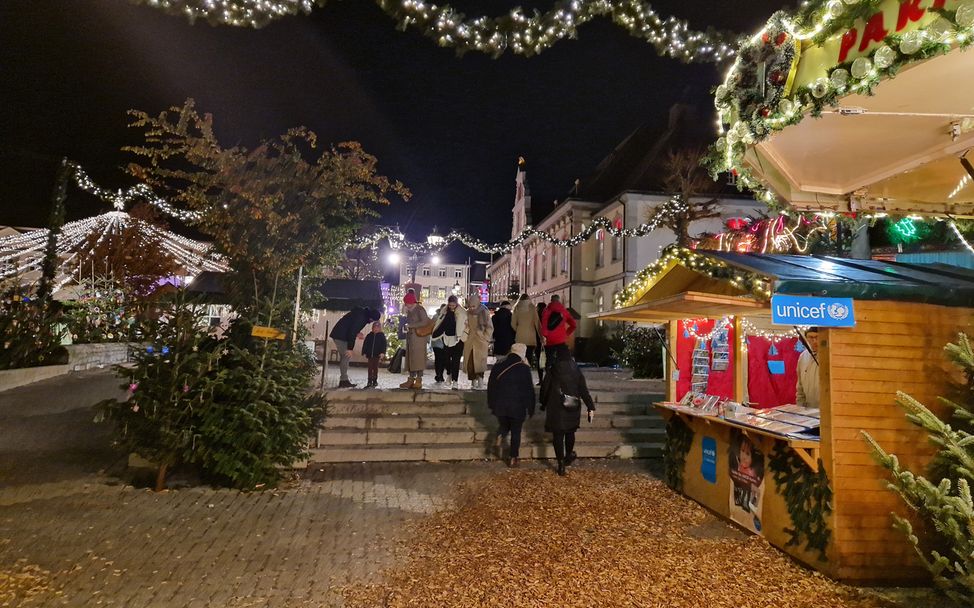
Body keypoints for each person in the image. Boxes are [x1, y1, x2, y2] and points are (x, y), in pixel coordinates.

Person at [540, 345, 595, 476]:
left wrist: (543, 402)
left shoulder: (553, 369)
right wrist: (590, 406)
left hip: (556, 407)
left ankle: (560, 465)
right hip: (572, 406)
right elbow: (583, 390)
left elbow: (545, 388)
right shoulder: (576, 370)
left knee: (558, 436)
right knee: (570, 432)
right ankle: (568, 455)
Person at [487, 343, 535, 467]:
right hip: (518, 406)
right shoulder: (524, 369)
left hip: (500, 404)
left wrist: (491, 403)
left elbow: (491, 386)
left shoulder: (498, 366)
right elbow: (529, 390)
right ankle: (513, 457)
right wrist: (531, 408)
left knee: (504, 424)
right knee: (516, 431)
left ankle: (500, 434)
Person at [330, 306, 381, 388]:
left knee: (345, 357)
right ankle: (343, 381)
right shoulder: (362, 317)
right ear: (371, 318)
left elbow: (351, 327)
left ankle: (344, 380)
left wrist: (357, 333)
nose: (371, 322)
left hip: (341, 334)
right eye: (373, 321)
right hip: (340, 336)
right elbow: (352, 332)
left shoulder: (362, 314)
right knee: (346, 356)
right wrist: (350, 348)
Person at [432, 295, 467, 390]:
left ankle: (455, 380)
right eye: (450, 305)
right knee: (446, 359)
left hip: (458, 339)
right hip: (447, 338)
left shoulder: (462, 312)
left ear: (456, 303)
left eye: (453, 305)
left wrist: (464, 335)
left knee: (456, 360)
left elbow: (466, 325)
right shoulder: (444, 311)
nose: (451, 306)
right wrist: (436, 334)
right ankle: (449, 374)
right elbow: (440, 323)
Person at [401, 289, 434, 390]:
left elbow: (424, 322)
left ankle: (418, 380)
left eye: (407, 303)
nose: (406, 305)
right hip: (412, 337)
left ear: (412, 302)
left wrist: (411, 325)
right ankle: (411, 379)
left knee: (418, 359)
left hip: (419, 338)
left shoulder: (420, 309)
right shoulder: (411, 311)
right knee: (411, 358)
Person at [462, 294, 492, 389]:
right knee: (470, 363)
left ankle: (480, 382)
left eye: (473, 306)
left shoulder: (484, 312)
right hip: (470, 341)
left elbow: (490, 327)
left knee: (480, 363)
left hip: (481, 341)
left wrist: (485, 338)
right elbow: (465, 326)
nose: (471, 308)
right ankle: (473, 382)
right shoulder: (467, 313)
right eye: (470, 306)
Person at [540, 294, 576, 365]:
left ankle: (549, 373)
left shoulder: (546, 311)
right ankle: (561, 373)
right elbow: (573, 325)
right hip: (561, 340)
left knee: (549, 360)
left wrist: (545, 336)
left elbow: (544, 327)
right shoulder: (564, 311)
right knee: (562, 360)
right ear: (559, 300)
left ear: (551, 300)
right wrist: (566, 334)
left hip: (550, 341)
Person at [512, 295, 541, 380]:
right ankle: (527, 376)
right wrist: (541, 336)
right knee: (529, 357)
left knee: (520, 357)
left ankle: (520, 376)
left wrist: (518, 330)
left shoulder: (516, 308)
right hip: (531, 337)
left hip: (520, 337)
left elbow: (513, 323)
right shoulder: (532, 308)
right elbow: (537, 323)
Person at [796, 327, 820, 409]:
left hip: (826, 409)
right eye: (811, 337)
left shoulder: (831, 355)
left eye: (817, 337)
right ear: (806, 338)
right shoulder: (803, 357)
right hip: (809, 409)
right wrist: (800, 407)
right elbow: (800, 385)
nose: (814, 341)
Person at [361, 321, 387, 389]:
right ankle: (369, 381)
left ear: (380, 328)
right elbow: (365, 343)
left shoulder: (381, 336)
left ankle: (375, 380)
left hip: (377, 355)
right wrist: (364, 351)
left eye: (377, 328)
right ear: (372, 328)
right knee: (370, 368)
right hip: (370, 355)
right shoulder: (369, 335)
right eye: (375, 327)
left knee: (375, 368)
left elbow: (384, 345)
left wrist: (382, 352)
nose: (376, 329)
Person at [431, 304, 447, 385]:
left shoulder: (446, 316)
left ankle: (440, 374)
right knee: (439, 359)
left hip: (444, 341)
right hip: (437, 341)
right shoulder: (436, 317)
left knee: (442, 359)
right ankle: (439, 374)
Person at [535, 302, 547, 386]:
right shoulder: (547, 316)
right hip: (548, 341)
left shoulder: (537, 316)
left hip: (538, 341)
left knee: (539, 360)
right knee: (547, 360)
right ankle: (547, 379)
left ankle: (541, 379)